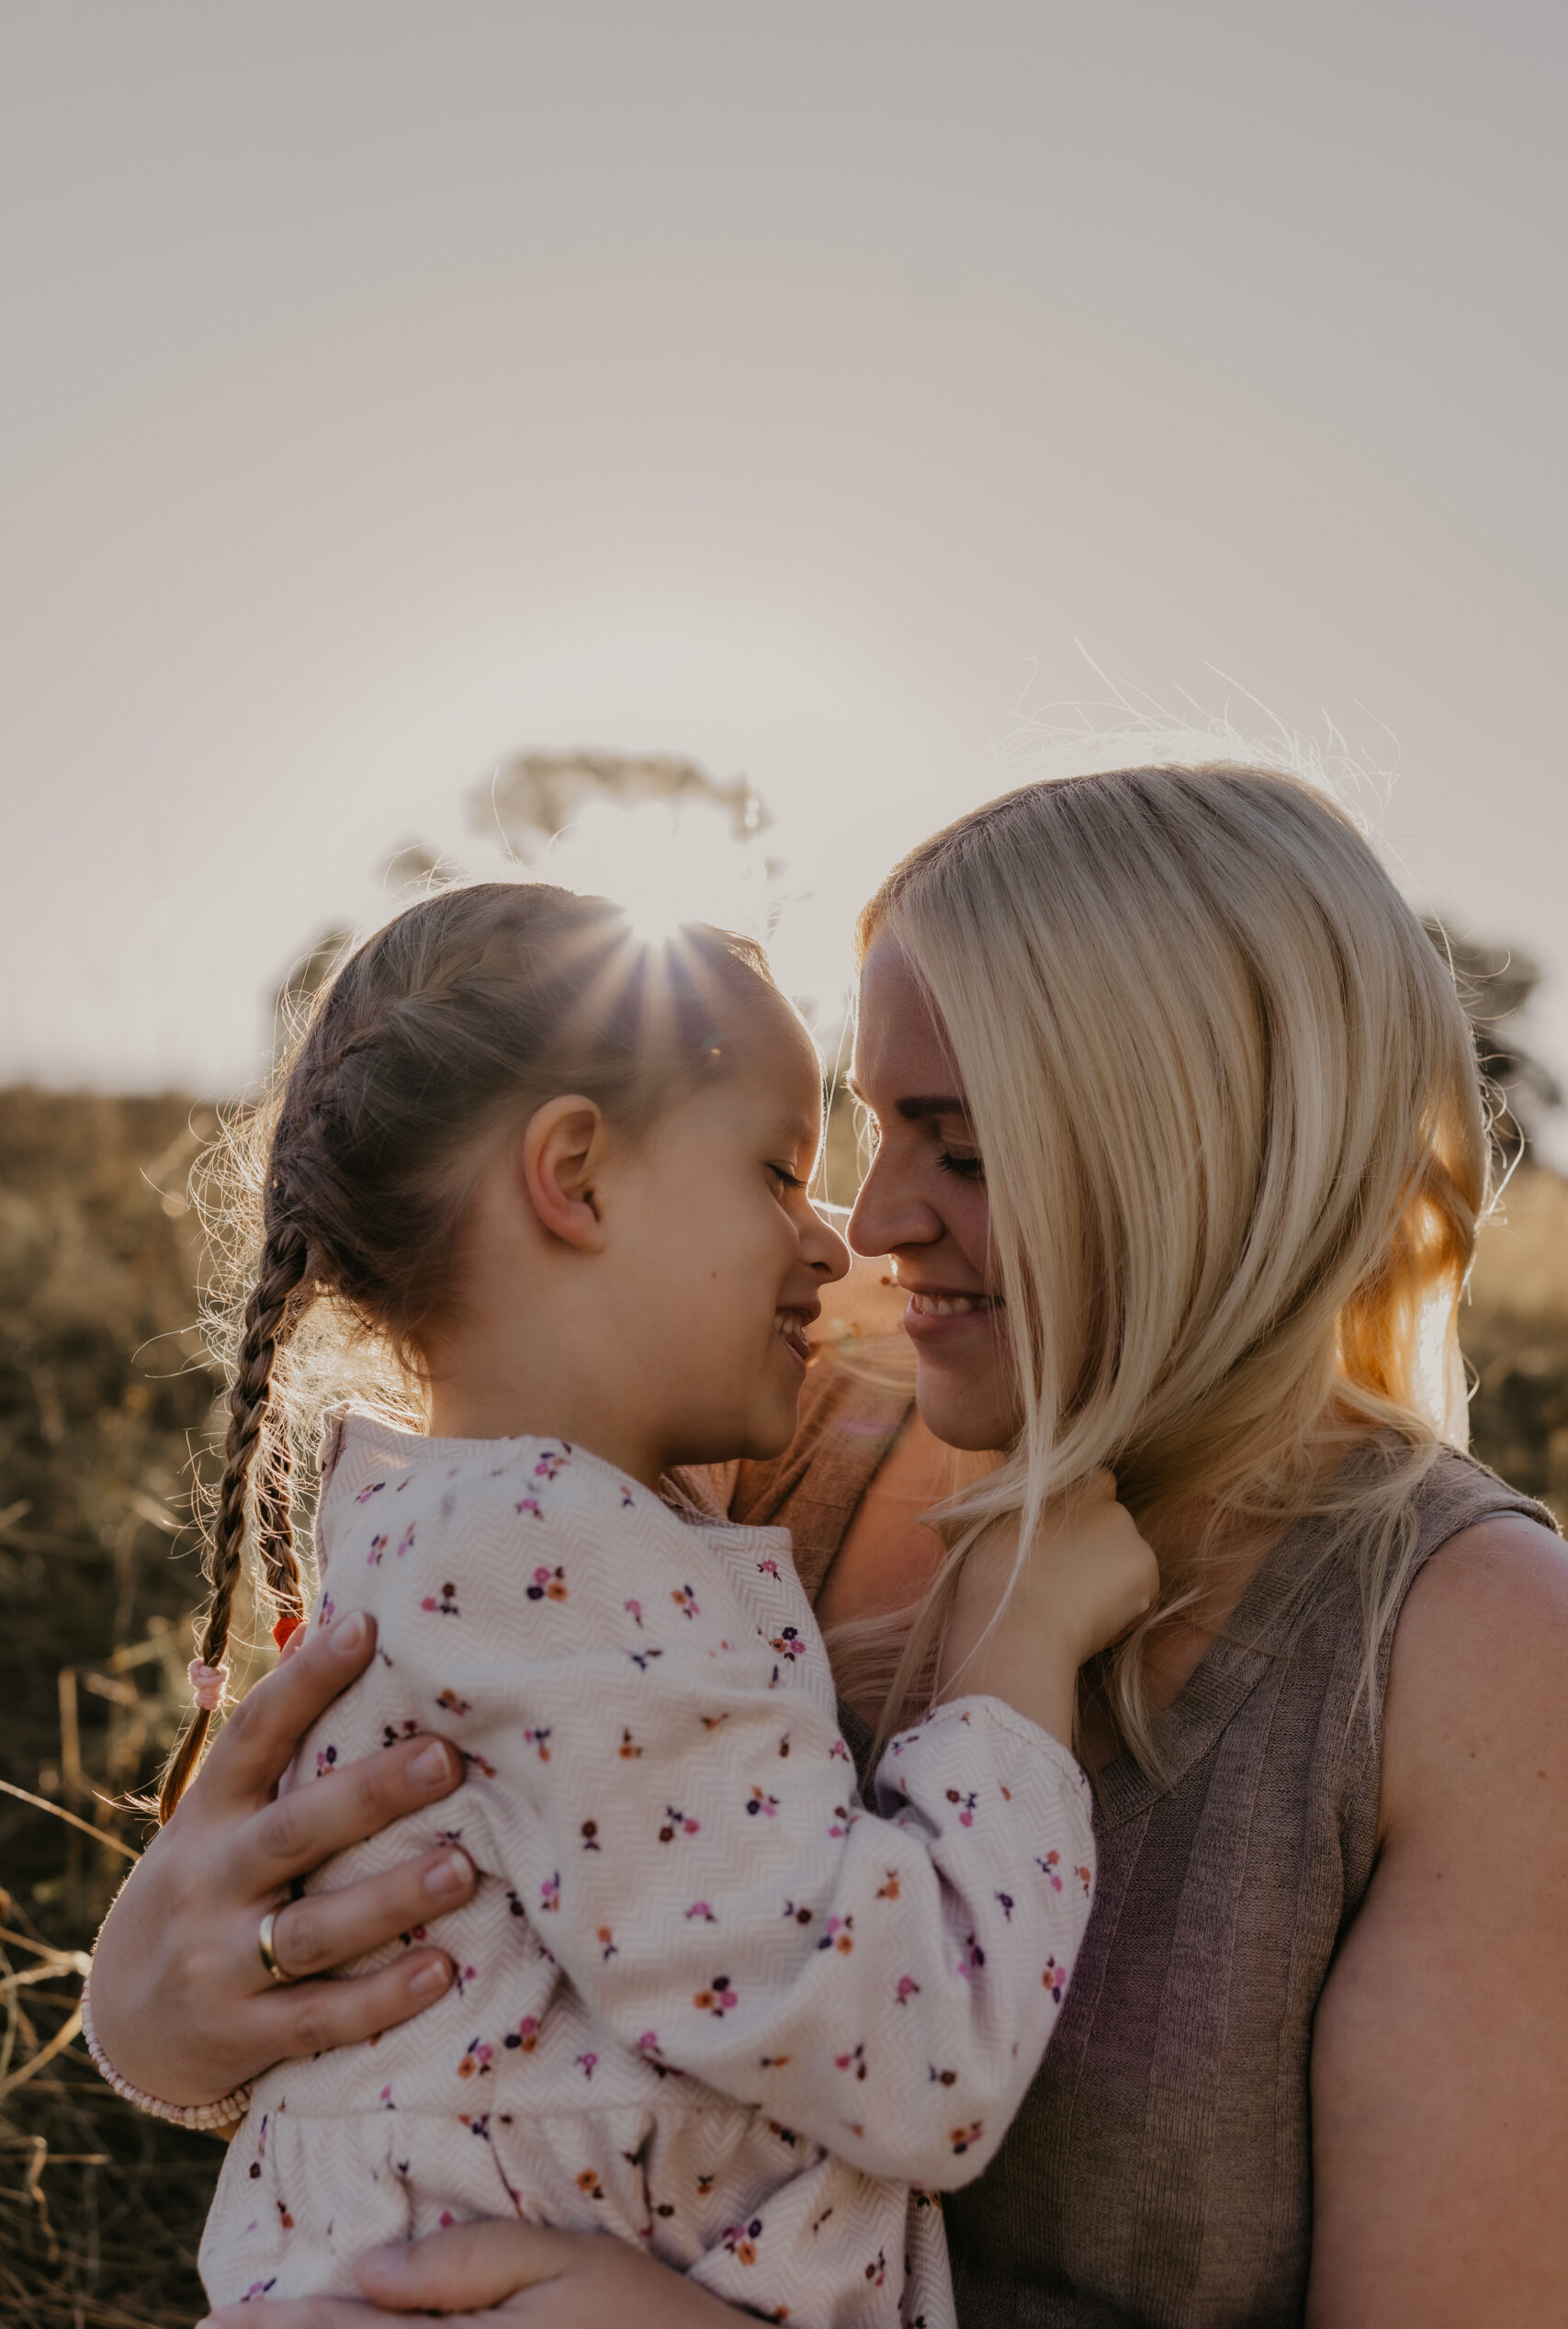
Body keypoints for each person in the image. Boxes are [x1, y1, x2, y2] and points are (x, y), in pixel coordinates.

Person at [88, 760, 1568, 2326]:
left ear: (1208, 1156)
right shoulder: (765, 1420)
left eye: (966, 1152)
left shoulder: (1476, 1649)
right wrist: (161, 2017)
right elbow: (466, 1992)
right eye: (858, 1137)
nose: (868, 1230)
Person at [127, 880, 1153, 2323]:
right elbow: (914, 2055)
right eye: (784, 1177)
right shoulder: (552, 1557)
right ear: (579, 1179)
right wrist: (1021, 1651)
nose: (844, 1244)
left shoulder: (505, 1526)